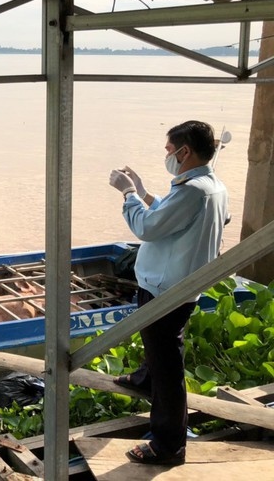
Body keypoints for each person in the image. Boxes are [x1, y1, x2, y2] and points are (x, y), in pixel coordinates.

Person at [108, 120, 228, 467]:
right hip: (179, 285)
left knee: (168, 364)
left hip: (165, 288)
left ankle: (168, 445)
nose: (168, 155)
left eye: (169, 150)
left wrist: (128, 194)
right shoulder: (210, 186)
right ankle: (146, 379)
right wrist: (145, 193)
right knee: (159, 348)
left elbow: (147, 226)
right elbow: (173, 216)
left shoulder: (193, 191)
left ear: (184, 151)